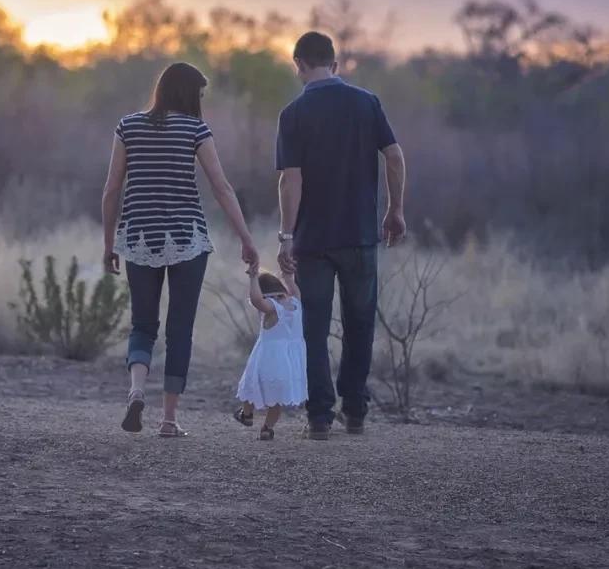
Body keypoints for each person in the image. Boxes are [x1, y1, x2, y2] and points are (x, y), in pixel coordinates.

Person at [102, 62, 258, 438]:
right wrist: (246, 238)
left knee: (142, 324)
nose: (201, 102)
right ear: (188, 94)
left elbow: (111, 190)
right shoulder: (195, 130)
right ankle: (169, 420)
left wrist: (109, 243)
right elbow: (221, 188)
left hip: (139, 236)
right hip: (187, 238)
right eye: (200, 94)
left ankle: (137, 391)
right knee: (180, 329)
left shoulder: (128, 126)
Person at [275, 32, 408, 440]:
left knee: (313, 328)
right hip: (360, 234)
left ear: (298, 63)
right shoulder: (366, 103)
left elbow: (289, 180)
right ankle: (355, 411)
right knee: (360, 324)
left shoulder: (293, 113)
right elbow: (395, 156)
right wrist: (395, 209)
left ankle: (319, 417)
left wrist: (285, 236)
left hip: (313, 240)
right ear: (334, 63)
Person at [233, 267, 307, 440]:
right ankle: (267, 428)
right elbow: (292, 286)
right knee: (276, 400)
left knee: (250, 385)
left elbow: (257, 300)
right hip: (290, 363)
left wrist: (252, 278)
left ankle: (247, 414)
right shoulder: (296, 302)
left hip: (269, 358)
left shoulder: (272, 308)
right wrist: (287, 275)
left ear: (266, 294)